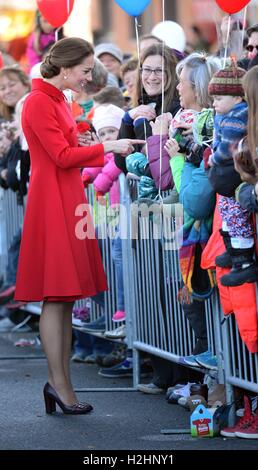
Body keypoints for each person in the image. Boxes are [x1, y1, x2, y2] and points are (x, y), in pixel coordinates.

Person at [14, 37, 144, 415]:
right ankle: (59, 384)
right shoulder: (41, 100)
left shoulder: (57, 100)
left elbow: (65, 151)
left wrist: (84, 138)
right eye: (85, 71)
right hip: (53, 200)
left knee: (65, 298)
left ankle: (61, 383)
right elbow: (60, 156)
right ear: (66, 68)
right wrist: (106, 147)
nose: (89, 78)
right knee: (56, 296)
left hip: (64, 197)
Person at [207, 64, 258, 286]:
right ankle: (234, 251)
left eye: (219, 97)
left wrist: (212, 160)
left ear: (238, 98)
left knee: (235, 210)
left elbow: (227, 146)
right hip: (236, 173)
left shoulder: (238, 115)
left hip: (237, 175)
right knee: (228, 208)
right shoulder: (228, 114)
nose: (214, 103)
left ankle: (243, 259)